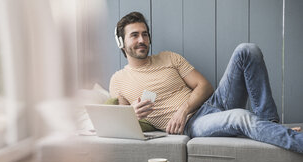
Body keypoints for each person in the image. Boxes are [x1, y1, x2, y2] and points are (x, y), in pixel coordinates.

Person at [109, 11, 303, 154]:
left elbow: (205, 86)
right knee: (240, 117)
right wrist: (131, 114)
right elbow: (119, 127)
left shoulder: (169, 57)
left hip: (212, 104)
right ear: (121, 42)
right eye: (134, 35)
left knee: (247, 50)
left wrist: (182, 109)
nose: (142, 40)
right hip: (194, 124)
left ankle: (269, 124)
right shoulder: (118, 80)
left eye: (145, 34)